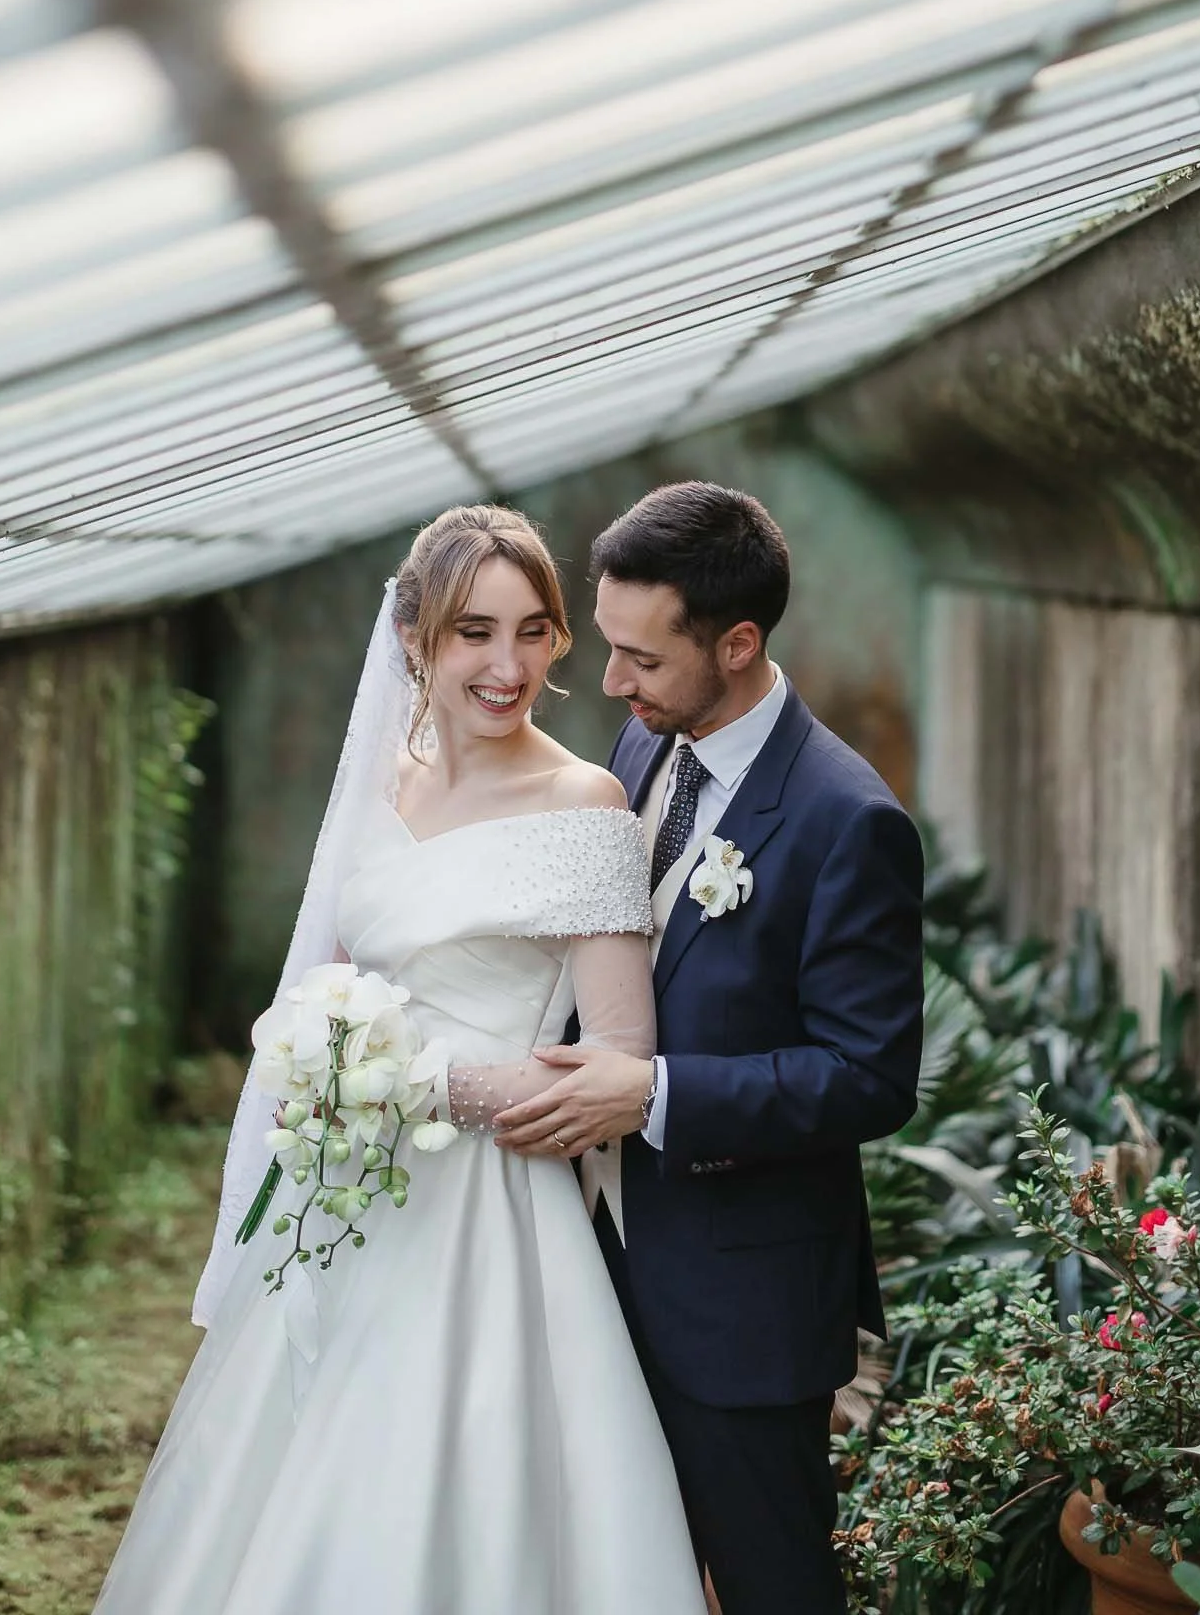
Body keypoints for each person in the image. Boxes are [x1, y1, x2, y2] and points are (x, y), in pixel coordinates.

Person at [93, 504, 706, 1615]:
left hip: (491, 1215)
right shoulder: (385, 781)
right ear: (417, 637)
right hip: (345, 1198)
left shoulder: (585, 801)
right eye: (475, 631)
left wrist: (411, 1082)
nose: (507, 666)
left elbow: (618, 1061)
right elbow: (332, 976)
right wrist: (327, 1054)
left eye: (532, 632)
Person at [494, 481, 925, 1615]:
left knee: (771, 1584)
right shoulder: (643, 751)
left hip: (743, 1303)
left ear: (736, 644)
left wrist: (654, 1095)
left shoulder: (847, 821)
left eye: (642, 656)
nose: (613, 681)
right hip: (589, 1261)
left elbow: (870, 1075)